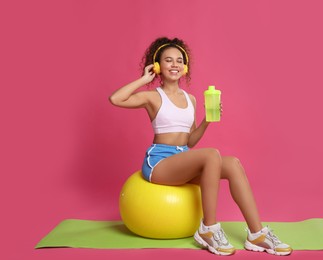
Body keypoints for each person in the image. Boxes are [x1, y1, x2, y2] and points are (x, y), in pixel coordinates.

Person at [109, 37, 292, 256]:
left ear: (185, 67)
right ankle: (209, 229)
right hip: (159, 163)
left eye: (179, 60)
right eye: (168, 60)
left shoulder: (191, 100)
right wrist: (143, 79)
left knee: (232, 163)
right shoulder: (152, 97)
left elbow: (190, 142)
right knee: (211, 155)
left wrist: (207, 121)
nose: (174, 64)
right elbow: (116, 99)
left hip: (182, 158)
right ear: (157, 65)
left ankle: (257, 233)